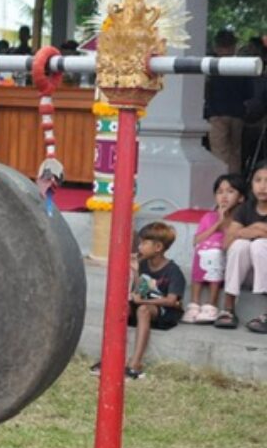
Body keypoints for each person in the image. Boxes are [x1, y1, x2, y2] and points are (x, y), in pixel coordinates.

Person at [92, 223, 184, 380]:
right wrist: (135, 272)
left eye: (144, 243)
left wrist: (144, 302)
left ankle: (135, 364)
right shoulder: (142, 264)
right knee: (122, 306)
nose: (139, 247)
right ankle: (109, 358)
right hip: (145, 306)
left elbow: (171, 301)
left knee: (143, 309)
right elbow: (139, 290)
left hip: (164, 313)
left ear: (158, 247)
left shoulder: (173, 270)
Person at [182, 174, 243, 325]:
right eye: (219, 192)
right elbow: (196, 241)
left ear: (241, 198)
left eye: (230, 191)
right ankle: (195, 304)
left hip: (226, 259)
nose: (224, 196)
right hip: (205, 258)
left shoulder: (241, 218)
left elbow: (231, 242)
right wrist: (218, 223)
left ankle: (212, 304)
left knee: (214, 251)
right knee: (203, 248)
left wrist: (226, 224)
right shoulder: (209, 217)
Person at [218, 162, 267, 331]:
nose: (263, 186)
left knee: (260, 245)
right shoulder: (245, 209)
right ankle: (228, 307)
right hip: (247, 274)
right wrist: (256, 229)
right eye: (258, 180)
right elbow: (226, 244)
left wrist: (246, 231)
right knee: (239, 245)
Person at [205, 29, 254, 175]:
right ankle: (235, 185)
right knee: (235, 152)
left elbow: (206, 91)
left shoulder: (211, 66)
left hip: (216, 112)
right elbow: (249, 93)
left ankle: (221, 183)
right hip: (237, 113)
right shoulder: (241, 67)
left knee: (220, 152)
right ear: (234, 46)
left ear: (216, 46)